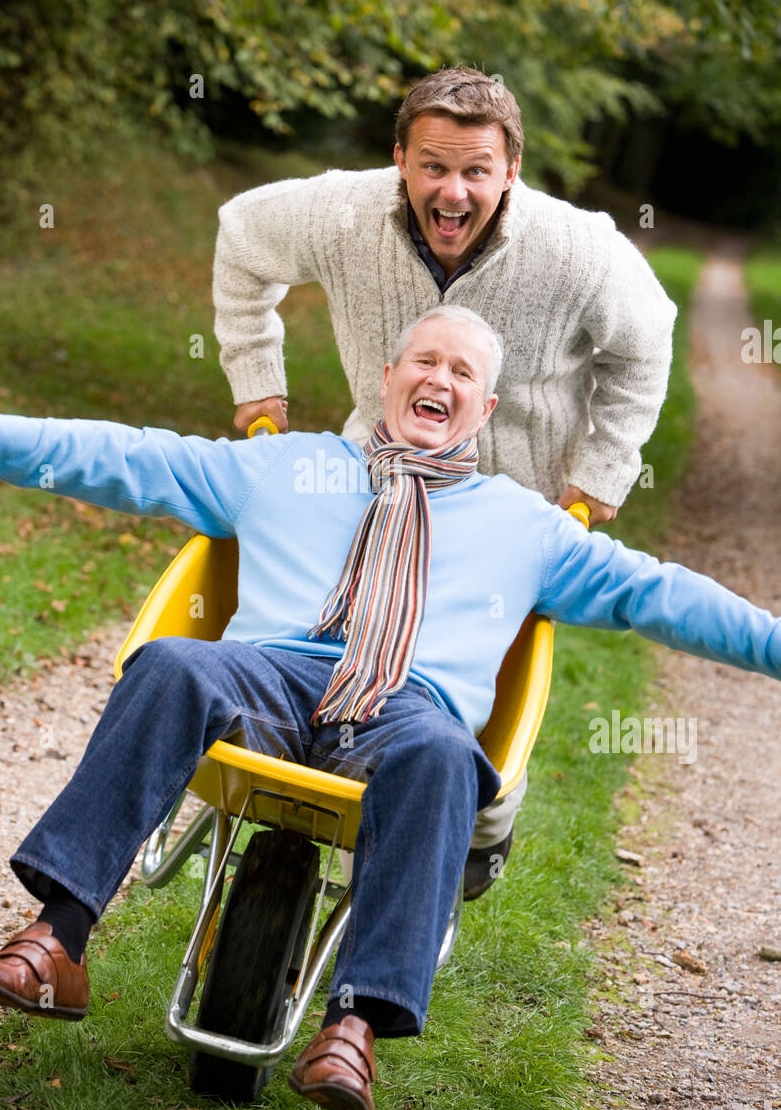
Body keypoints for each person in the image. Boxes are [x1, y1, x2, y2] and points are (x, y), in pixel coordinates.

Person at [0, 307, 778, 1110]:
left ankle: (355, 1029)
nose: (440, 379)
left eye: (463, 372)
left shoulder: (527, 528)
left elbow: (659, 592)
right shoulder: (286, 467)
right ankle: (55, 945)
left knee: (444, 754)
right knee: (175, 662)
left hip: (408, 709)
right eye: (425, 361)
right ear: (388, 376)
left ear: (487, 406)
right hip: (275, 674)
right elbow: (137, 457)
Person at [211, 66, 678, 893]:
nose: (452, 190)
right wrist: (257, 382)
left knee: (483, 702)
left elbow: (645, 342)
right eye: (432, 166)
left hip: (513, 513)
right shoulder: (344, 215)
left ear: (510, 173)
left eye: (474, 170)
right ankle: (302, 775)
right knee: (341, 646)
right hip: (380, 479)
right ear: (400, 159)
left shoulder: (576, 252)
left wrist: (599, 477)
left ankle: (479, 828)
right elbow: (243, 235)